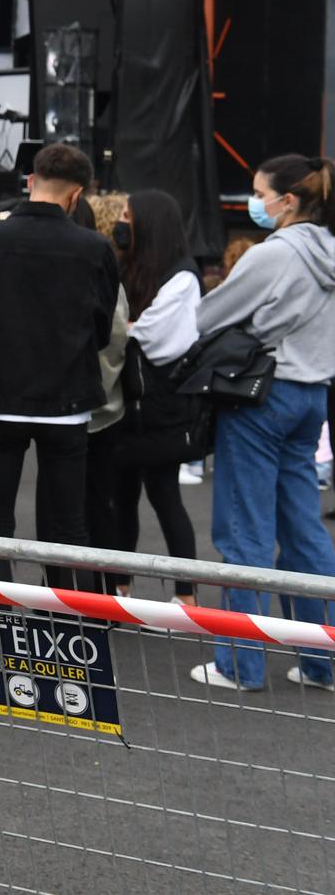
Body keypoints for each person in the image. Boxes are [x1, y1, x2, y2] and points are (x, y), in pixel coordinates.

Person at [189, 155, 335, 691]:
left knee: (244, 530)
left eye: (259, 192)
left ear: (288, 200)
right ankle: (323, 660)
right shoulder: (331, 254)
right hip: (312, 397)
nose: (255, 202)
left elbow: (207, 317)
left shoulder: (273, 256)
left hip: (260, 397)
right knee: (304, 530)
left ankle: (239, 664)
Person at [0, 144, 119, 592]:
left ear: (31, 180)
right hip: (67, 401)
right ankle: (68, 634)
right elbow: (102, 328)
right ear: (77, 194)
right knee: (68, 524)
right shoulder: (95, 247)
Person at [98, 189, 201, 603]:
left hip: (161, 409)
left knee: (164, 496)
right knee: (122, 499)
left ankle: (187, 595)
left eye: (127, 214)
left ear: (149, 222)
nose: (120, 222)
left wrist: (124, 327)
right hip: (127, 406)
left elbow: (158, 336)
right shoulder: (129, 268)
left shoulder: (182, 276)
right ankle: (121, 584)